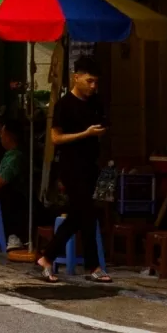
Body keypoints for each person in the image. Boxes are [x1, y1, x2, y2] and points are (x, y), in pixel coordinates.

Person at [37, 59, 110, 283]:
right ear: (76, 77)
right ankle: (93, 266)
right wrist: (84, 134)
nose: (93, 86)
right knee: (86, 213)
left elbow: (103, 126)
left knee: (81, 214)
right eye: (89, 81)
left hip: (90, 164)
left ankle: (47, 257)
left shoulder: (96, 102)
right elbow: (55, 137)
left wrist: (99, 133)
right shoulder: (64, 105)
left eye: (96, 82)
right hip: (70, 165)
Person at [0, 119, 28, 251]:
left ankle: (14, 235)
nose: (0, 137)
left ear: (9, 135)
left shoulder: (16, 157)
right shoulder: (8, 155)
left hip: (18, 203)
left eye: (2, 133)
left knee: (7, 194)